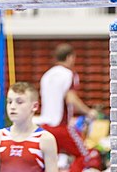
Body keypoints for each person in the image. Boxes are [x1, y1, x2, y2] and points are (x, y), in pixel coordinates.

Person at [39, 43, 102, 172]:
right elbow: (71, 99)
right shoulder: (69, 74)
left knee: (47, 160)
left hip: (44, 127)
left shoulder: (46, 76)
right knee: (85, 156)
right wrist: (89, 112)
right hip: (61, 126)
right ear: (69, 57)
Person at [0, 81, 58, 172]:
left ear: (34, 106)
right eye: (9, 102)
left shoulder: (45, 139)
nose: (12, 107)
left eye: (19, 102)